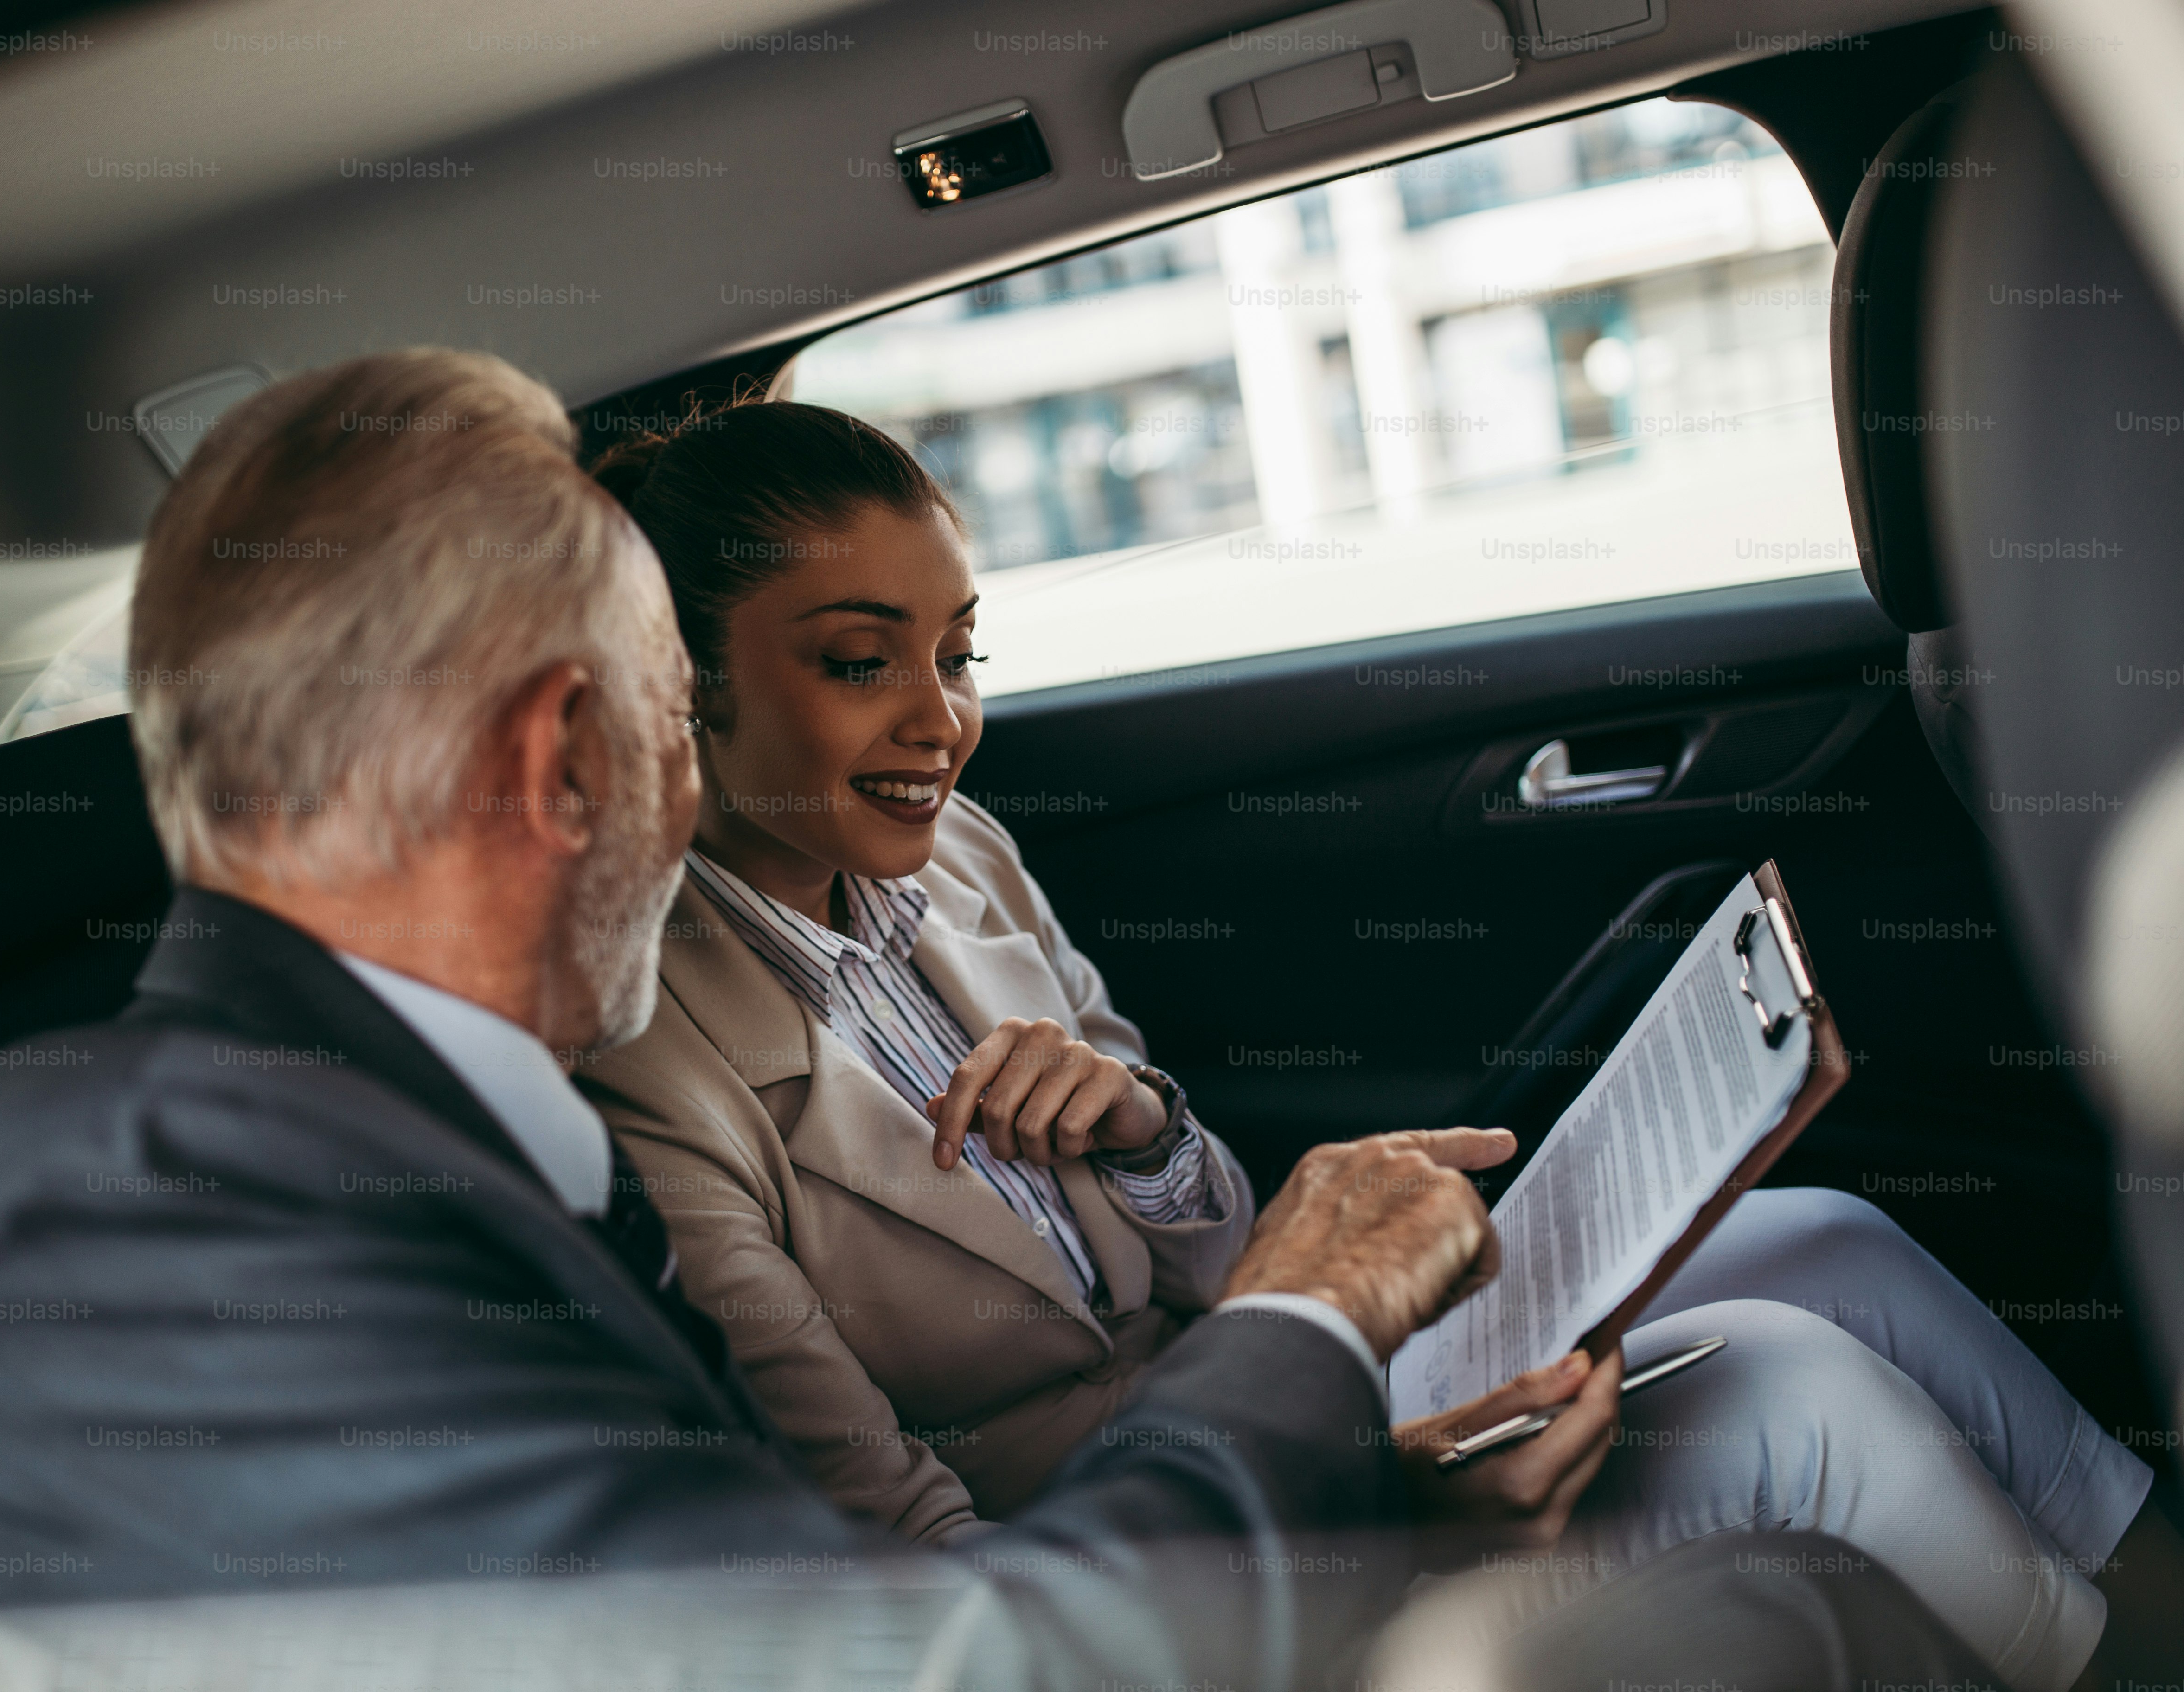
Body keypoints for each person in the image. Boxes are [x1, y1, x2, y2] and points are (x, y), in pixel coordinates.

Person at [0, 348, 1542, 1687]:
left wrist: (1356, 1498)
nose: (695, 780)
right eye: (671, 715)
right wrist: (1313, 1314)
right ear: (570, 754)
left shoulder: (344, 1136)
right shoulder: (157, 1208)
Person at [575, 398, 2152, 1692]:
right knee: (1798, 1393)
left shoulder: (961, 854)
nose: (942, 719)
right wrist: (1380, 1508)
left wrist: (1141, 1132)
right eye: (863, 663)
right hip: (1160, 1577)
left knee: (1829, 1243)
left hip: (1252, 1391)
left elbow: (1216, 1264)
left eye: (959, 653)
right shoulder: (645, 1067)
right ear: (683, 691)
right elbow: (927, 1588)